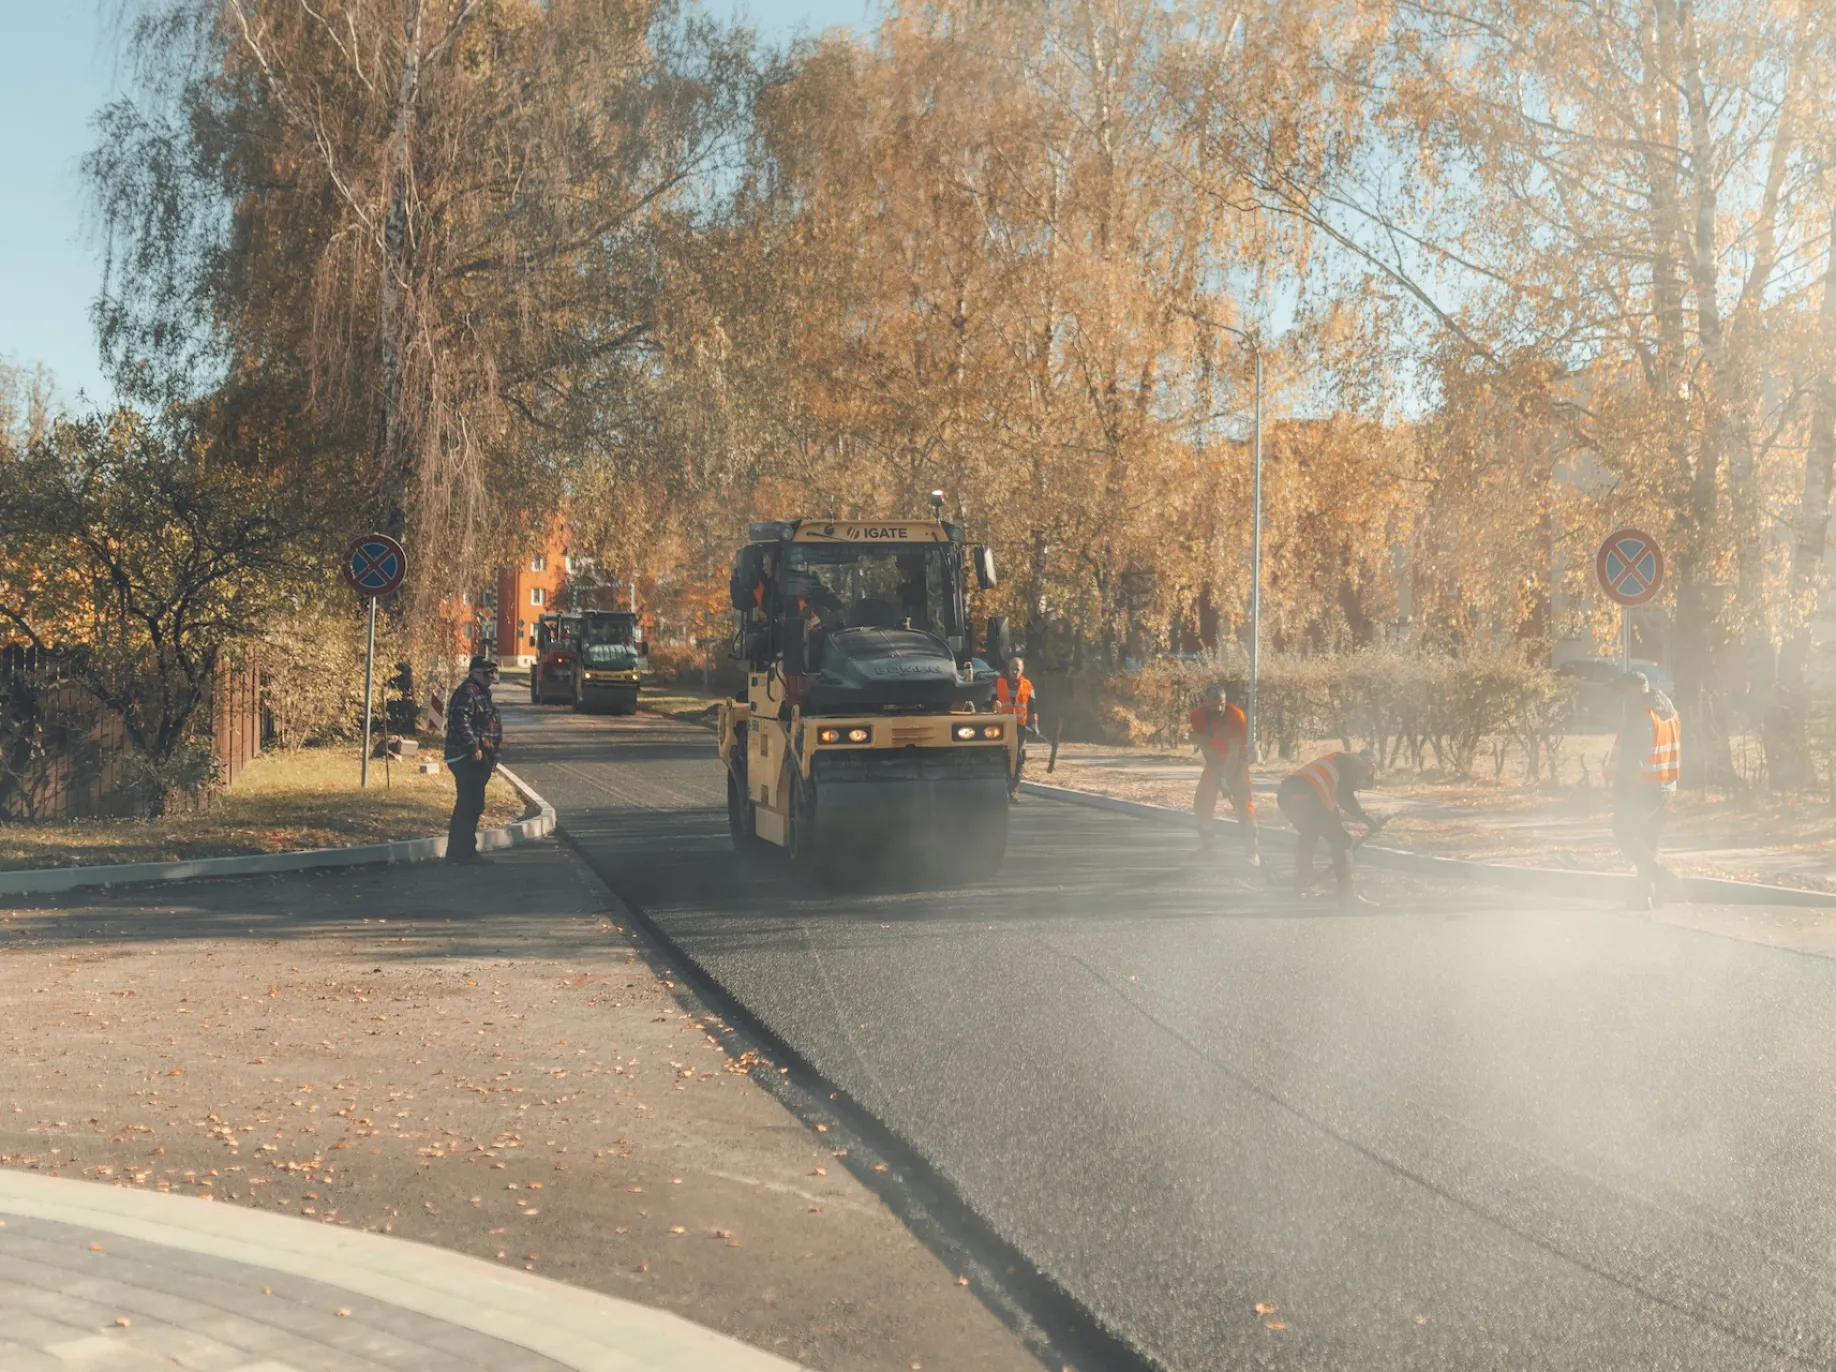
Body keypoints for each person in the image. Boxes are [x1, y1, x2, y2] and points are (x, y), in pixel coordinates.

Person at [1608, 670, 1681, 908]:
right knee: (1648, 842)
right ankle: (1644, 895)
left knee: (1623, 832)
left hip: (1642, 788)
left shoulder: (1641, 717)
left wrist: (1621, 789)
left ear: (1634, 691)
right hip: (1666, 786)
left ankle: (1663, 878)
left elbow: (1633, 758)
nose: (1620, 697)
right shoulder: (1668, 712)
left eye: (1623, 691)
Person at [1276, 749, 1378, 907]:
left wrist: (1358, 817)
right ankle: (1347, 895)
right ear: (1370, 764)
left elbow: (1334, 811)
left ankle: (1301, 888)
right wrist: (1366, 818)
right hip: (1308, 796)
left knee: (1309, 835)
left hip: (1286, 795)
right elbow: (1345, 796)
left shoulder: (1336, 767)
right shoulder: (1356, 762)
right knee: (1343, 841)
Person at [1189, 682, 1259, 865]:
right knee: (1202, 801)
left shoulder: (1236, 715)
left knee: (1243, 803)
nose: (1218, 708)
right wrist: (1217, 772)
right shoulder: (1196, 717)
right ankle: (1209, 848)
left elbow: (1234, 750)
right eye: (1213, 705)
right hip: (1214, 762)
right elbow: (1205, 745)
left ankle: (1251, 851)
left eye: (1221, 703)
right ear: (1204, 702)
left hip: (1237, 762)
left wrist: (1227, 776)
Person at [444, 655, 502, 865]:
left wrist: (492, 754)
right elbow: (461, 720)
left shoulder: (480, 693)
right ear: (475, 673)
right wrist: (474, 746)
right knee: (470, 803)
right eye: (487, 673)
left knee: (471, 803)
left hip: (479, 757)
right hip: (467, 757)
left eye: (492, 673)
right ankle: (463, 852)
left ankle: (460, 851)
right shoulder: (469, 692)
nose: (491, 678)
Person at [995, 655, 1039, 801]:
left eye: (1017, 669)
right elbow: (988, 703)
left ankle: (1013, 790)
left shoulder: (1028, 685)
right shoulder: (998, 683)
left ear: (1022, 670)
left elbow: (1032, 709)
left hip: (1020, 727)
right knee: (1001, 757)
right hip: (1000, 727)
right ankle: (1001, 789)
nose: (1014, 672)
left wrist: (1034, 726)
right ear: (1008, 669)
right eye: (1012, 669)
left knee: (1018, 758)